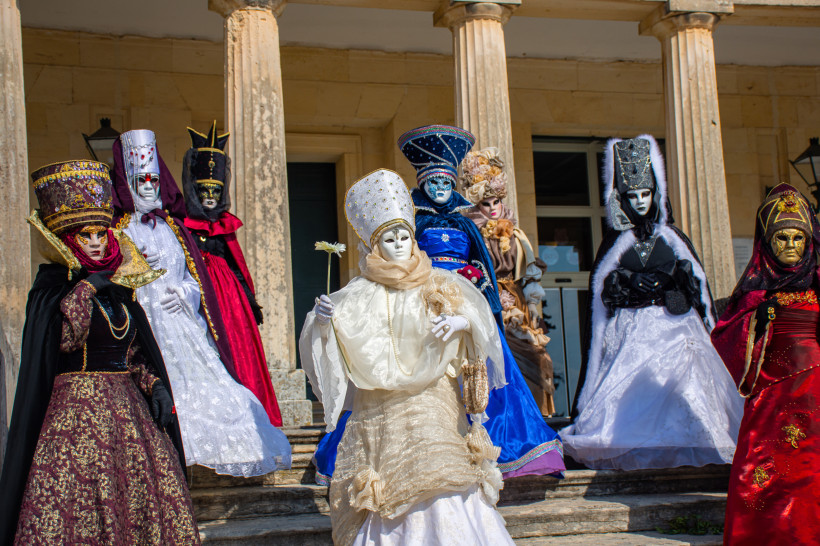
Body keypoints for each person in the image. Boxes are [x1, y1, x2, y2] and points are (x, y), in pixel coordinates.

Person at [301, 168, 514, 546]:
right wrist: (322, 324)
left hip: (435, 397)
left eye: (404, 236)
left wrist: (461, 321)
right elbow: (337, 339)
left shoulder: (439, 280)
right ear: (374, 246)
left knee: (441, 467)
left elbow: (480, 318)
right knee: (395, 481)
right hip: (382, 406)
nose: (399, 244)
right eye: (389, 238)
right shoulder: (358, 292)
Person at [0, 160, 199, 545]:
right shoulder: (52, 288)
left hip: (128, 411)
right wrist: (87, 288)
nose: (94, 242)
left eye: (99, 234)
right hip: (73, 416)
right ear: (68, 240)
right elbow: (62, 341)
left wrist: (154, 384)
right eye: (83, 235)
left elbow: (135, 354)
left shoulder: (122, 293)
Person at [113, 129, 291, 477]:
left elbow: (191, 278)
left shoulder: (172, 230)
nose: (148, 187)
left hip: (180, 321)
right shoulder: (122, 231)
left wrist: (187, 294)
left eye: (153, 180)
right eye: (140, 181)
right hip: (145, 324)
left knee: (218, 388)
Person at [561, 135, 742, 470]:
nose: (641, 202)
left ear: (655, 194)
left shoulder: (673, 238)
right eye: (634, 195)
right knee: (631, 392)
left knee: (686, 388)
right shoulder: (616, 244)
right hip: (630, 329)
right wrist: (626, 279)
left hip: (676, 326)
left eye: (646, 194)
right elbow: (602, 293)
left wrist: (677, 275)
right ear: (622, 198)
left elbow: (699, 289)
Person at [712, 184, 820, 545]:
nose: (790, 245)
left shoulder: (818, 285)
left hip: (816, 393)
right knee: (771, 468)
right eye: (781, 238)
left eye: (797, 238)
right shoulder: (756, 293)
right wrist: (758, 319)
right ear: (767, 243)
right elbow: (725, 334)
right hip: (773, 396)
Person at [182, 121, 282, 426]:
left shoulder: (225, 226)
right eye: (204, 191)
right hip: (198, 293)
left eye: (215, 190)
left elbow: (237, 266)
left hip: (230, 300)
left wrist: (250, 301)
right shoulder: (183, 225)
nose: (210, 196)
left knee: (239, 349)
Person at [461, 147, 556, 416]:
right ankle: (498, 415)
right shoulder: (473, 235)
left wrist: (534, 306)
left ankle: (530, 415)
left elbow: (530, 272)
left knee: (533, 355)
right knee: (491, 358)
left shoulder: (515, 234)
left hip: (518, 302)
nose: (492, 209)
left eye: (495, 203)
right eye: (485, 204)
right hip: (487, 300)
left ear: (502, 202)